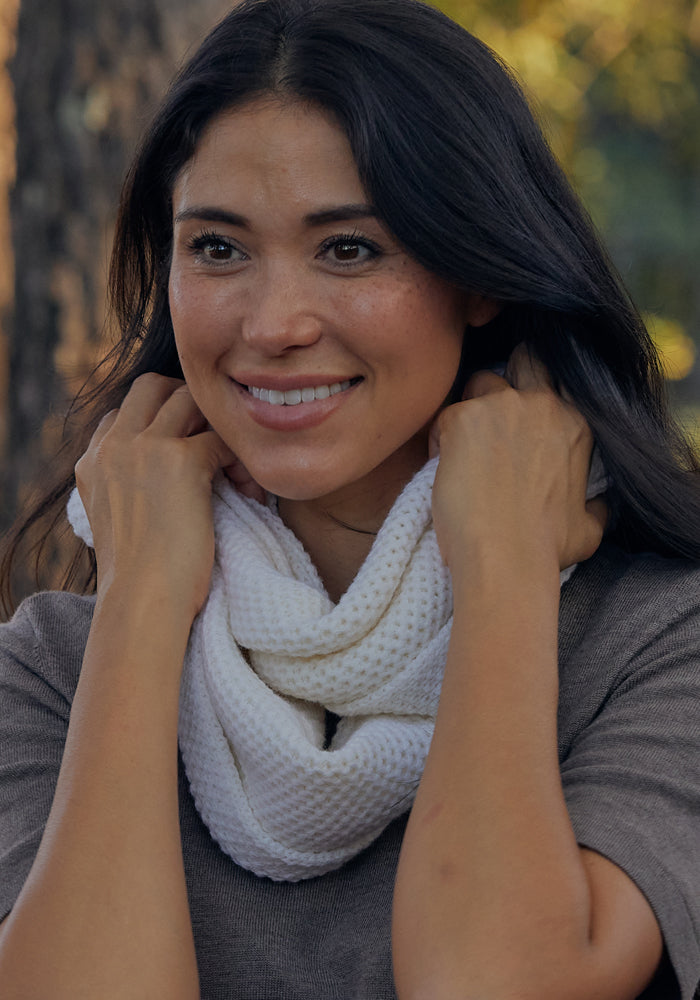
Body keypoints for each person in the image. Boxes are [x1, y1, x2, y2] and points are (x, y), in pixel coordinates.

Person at [1, 0, 699, 997]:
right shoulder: (52, 674)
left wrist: (503, 560)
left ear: (478, 274)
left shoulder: (656, 645)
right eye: (218, 248)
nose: (273, 324)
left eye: (349, 249)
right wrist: (143, 596)